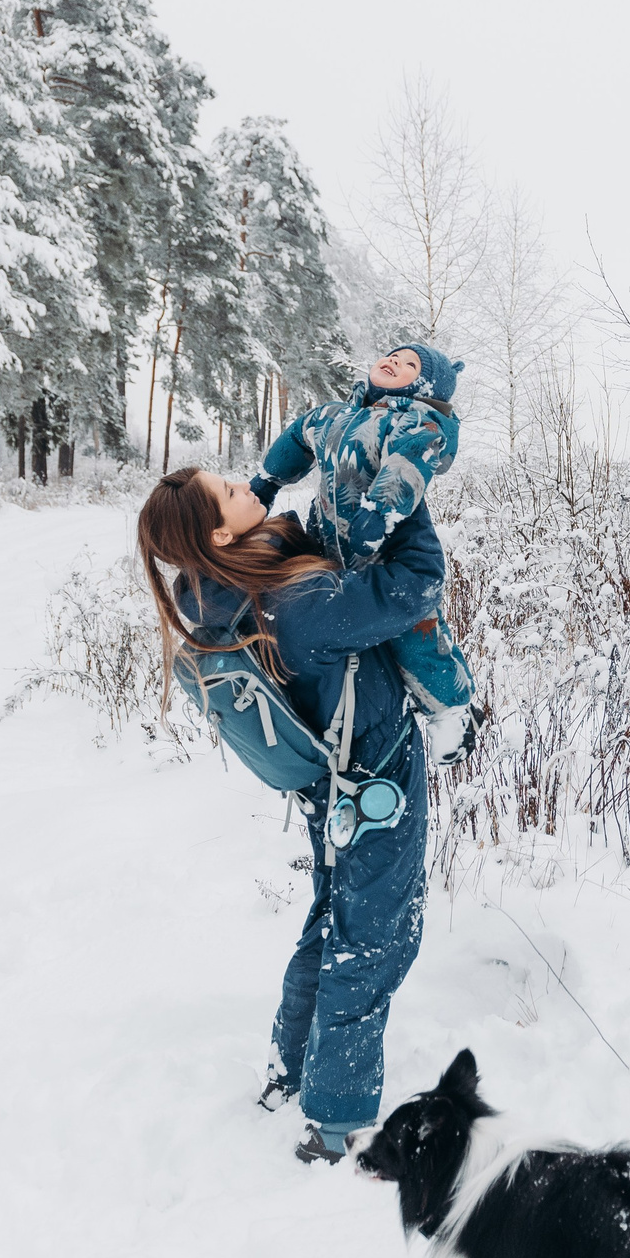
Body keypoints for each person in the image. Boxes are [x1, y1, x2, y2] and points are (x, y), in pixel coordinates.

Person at [136, 465, 444, 1164]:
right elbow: (415, 582)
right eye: (233, 492)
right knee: (374, 940)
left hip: (329, 787)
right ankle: (334, 1126)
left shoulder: (209, 586)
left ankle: (292, 1065)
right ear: (217, 531)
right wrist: (411, 495)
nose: (250, 485)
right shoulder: (296, 603)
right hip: (372, 779)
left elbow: (275, 529)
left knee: (336, 919)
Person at [251, 341, 475, 756]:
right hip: (331, 544)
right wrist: (269, 480)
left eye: (411, 365)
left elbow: (410, 458)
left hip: (391, 544)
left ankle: (451, 713)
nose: (395, 361)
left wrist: (381, 510)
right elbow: (298, 436)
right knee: (345, 624)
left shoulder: (415, 419)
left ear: (424, 389)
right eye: (394, 354)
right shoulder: (335, 415)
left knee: (416, 634)